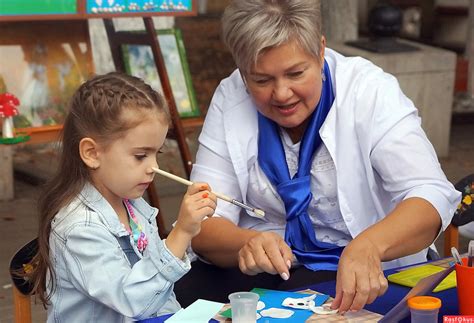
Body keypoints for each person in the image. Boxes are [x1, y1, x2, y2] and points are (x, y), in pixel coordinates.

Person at [174, 0, 461, 313]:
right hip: (273, 270)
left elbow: (430, 195)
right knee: (176, 300)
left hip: (364, 273)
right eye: (261, 80)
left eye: (296, 73)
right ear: (242, 71)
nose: (282, 93)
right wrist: (245, 243)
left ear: (321, 50)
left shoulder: (369, 91)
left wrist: (370, 244)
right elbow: (202, 221)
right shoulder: (230, 97)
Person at [29, 72, 217, 322]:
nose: (154, 167)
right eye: (141, 155)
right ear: (92, 153)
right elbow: (133, 301)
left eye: (157, 153)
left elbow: (161, 300)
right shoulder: (79, 227)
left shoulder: (133, 206)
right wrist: (181, 232)